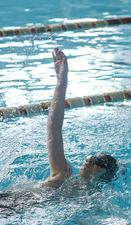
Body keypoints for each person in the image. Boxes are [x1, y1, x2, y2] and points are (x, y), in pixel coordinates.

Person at [42, 48, 118, 188]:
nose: (90, 161)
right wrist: (61, 80)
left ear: (105, 174)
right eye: (92, 158)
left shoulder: (94, 199)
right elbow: (54, 128)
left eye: (99, 162)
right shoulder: (64, 174)